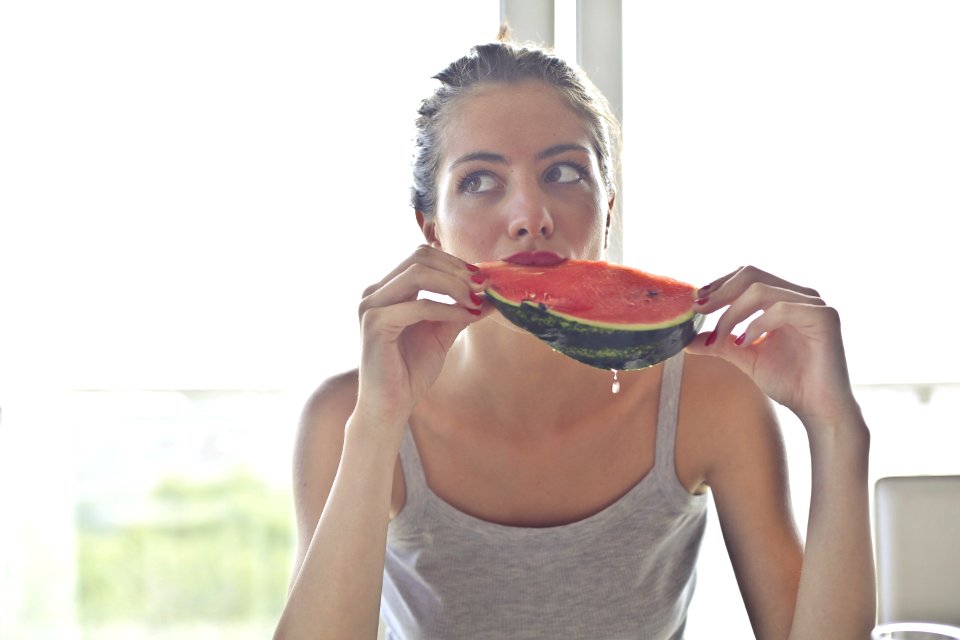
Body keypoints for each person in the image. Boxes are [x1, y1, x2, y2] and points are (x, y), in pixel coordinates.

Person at [273, 35, 875, 640]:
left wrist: (837, 429)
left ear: (607, 209)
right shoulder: (346, 417)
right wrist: (379, 423)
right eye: (480, 181)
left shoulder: (708, 399)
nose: (531, 214)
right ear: (431, 229)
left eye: (563, 172)